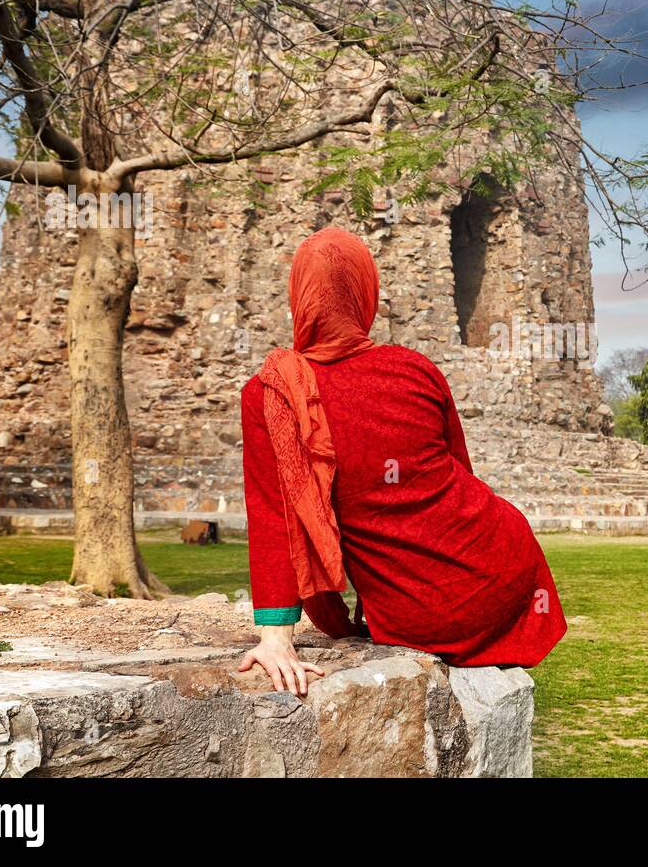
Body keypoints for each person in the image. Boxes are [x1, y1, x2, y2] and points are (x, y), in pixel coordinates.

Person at [237, 227, 567, 694]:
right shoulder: (416, 368)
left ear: (299, 295)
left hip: (425, 608)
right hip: (508, 564)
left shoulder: (270, 392)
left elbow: (275, 517)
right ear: (365, 294)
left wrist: (275, 637)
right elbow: (461, 476)